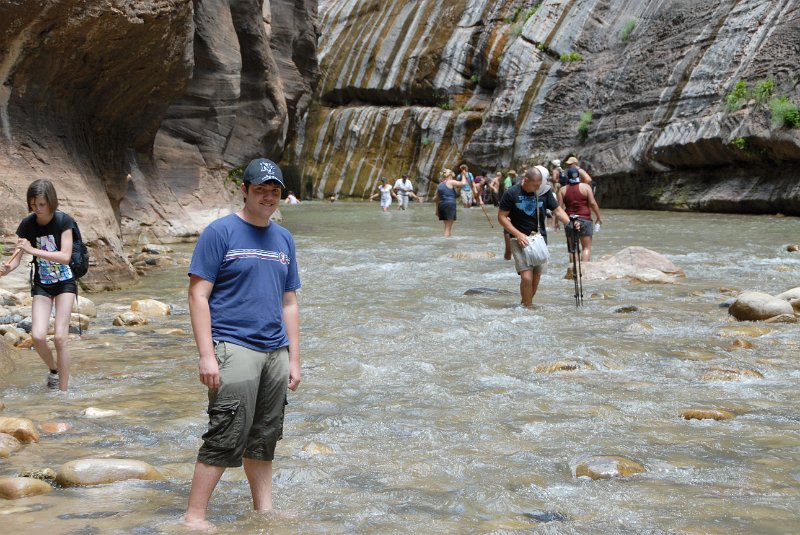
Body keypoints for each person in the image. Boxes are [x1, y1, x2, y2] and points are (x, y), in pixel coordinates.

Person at [181, 158, 301, 531]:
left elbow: (289, 303)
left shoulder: (284, 238)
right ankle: (194, 516)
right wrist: (206, 355)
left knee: (266, 435)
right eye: (261, 189)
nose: (268, 197)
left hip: (275, 350)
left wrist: (294, 359)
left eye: (274, 191)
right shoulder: (220, 232)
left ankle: (263, 510)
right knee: (226, 430)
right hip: (234, 346)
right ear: (245, 190)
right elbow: (198, 295)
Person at [0, 180, 77, 391]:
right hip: (42, 283)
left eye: (41, 205)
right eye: (33, 205)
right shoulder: (27, 224)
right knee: (38, 336)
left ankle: (63, 393)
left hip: (64, 282)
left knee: (61, 337)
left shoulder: (64, 221)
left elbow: (65, 256)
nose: (37, 209)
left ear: (50, 202)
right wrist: (7, 268)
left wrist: (33, 250)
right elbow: (16, 257)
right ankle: (53, 370)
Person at [497, 167, 574, 307]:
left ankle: (525, 304)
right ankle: (528, 307)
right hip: (518, 240)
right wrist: (518, 234)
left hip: (539, 239)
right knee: (526, 277)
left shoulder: (544, 192)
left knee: (535, 279)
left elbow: (557, 210)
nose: (538, 188)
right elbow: (501, 217)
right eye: (535, 185)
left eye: (540, 185)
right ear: (525, 180)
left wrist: (570, 223)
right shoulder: (511, 193)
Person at [558, 167, 603, 262]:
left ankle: (573, 273)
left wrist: (556, 223)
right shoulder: (586, 187)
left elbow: (559, 209)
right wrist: (599, 217)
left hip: (569, 220)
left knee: (572, 250)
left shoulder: (562, 190)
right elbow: (592, 203)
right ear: (578, 176)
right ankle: (584, 271)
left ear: (568, 177)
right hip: (585, 219)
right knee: (586, 248)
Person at [434, 169, 466, 237]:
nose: (452, 177)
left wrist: (437, 210)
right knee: (448, 227)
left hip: (441, 205)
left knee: (446, 226)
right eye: (452, 176)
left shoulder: (439, 185)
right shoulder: (450, 182)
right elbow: (463, 183)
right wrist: (463, 175)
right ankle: (446, 242)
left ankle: (448, 240)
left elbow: (437, 199)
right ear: (449, 175)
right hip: (449, 205)